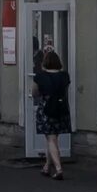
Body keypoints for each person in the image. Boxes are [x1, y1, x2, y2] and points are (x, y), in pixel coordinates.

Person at [32, 46, 72, 180]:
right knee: (53, 139)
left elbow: (35, 93)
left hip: (47, 108)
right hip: (61, 108)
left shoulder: (40, 76)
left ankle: (59, 168)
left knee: (51, 139)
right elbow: (65, 91)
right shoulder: (64, 76)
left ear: (45, 62)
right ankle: (47, 167)